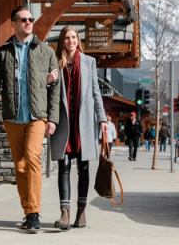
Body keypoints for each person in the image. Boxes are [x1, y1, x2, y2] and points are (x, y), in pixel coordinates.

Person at [0, 6, 60, 233]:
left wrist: (52, 118)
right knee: (19, 166)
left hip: (37, 116)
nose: (28, 23)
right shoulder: (2, 53)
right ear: (14, 24)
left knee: (32, 158)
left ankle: (34, 212)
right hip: (13, 117)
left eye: (30, 19)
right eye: (23, 19)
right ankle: (28, 211)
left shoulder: (46, 51)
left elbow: (55, 88)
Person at [47, 25, 107, 230]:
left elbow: (96, 92)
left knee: (83, 168)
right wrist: (48, 81)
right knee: (63, 167)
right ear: (62, 41)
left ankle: (81, 211)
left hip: (84, 124)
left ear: (78, 40)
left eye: (74, 37)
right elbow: (47, 91)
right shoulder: (55, 62)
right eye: (67, 38)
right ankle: (65, 213)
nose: (70, 41)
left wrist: (103, 118)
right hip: (63, 122)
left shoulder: (90, 62)